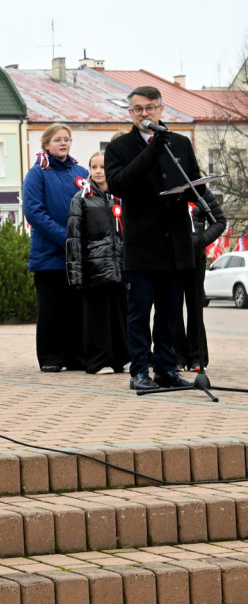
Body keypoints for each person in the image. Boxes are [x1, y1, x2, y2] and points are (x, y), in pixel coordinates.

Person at [105, 85, 199, 391]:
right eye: (137, 109)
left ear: (161, 109)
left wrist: (209, 205)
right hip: (143, 244)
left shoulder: (180, 143)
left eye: (149, 108)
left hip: (176, 243)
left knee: (170, 312)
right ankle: (140, 372)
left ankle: (166, 369)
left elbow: (193, 181)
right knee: (140, 312)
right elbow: (119, 184)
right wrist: (151, 150)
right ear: (131, 113)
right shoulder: (119, 148)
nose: (144, 114)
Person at [22, 124, 87, 373]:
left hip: (77, 257)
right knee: (52, 310)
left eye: (67, 139)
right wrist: (66, 239)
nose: (63, 143)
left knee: (75, 308)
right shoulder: (38, 173)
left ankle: (76, 356)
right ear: (46, 144)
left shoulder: (80, 172)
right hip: (49, 255)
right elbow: (35, 212)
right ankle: (51, 357)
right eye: (57, 139)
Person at [65, 151, 129, 375]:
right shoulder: (81, 198)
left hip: (119, 267)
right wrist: (76, 274)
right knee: (97, 317)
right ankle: (98, 361)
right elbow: (74, 238)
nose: (99, 171)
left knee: (121, 314)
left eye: (103, 167)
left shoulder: (121, 196)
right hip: (94, 268)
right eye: (94, 167)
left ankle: (123, 357)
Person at [173, 188, 226, 371]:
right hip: (172, 258)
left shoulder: (201, 192)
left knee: (195, 307)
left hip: (196, 258)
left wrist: (200, 239)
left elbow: (219, 222)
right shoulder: (169, 189)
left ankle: (197, 357)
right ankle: (177, 356)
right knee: (174, 307)